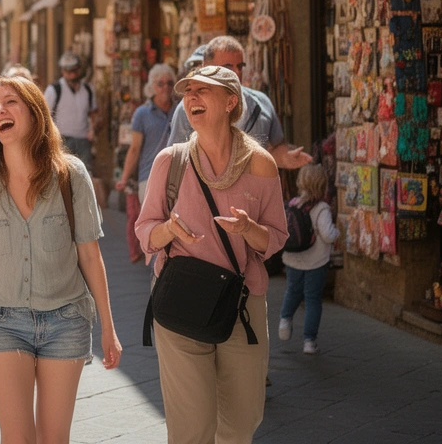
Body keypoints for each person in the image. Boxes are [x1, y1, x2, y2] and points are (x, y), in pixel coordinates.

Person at [0, 75, 122, 443]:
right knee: (16, 437)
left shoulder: (70, 174)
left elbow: (91, 257)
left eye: (10, 102)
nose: (0, 110)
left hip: (66, 319)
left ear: (34, 113)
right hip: (3, 320)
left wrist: (109, 329)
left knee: (54, 437)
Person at [136, 66, 289, 444]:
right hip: (180, 301)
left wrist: (248, 229)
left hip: (240, 304)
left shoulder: (260, 164)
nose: (192, 98)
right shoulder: (170, 162)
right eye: (188, 91)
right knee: (192, 428)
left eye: (204, 90)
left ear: (231, 101)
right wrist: (169, 229)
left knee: (241, 422)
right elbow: (145, 232)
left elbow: (276, 237)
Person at [166, 36, 314, 171]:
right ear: (205, 67)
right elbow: (175, 161)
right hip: (207, 196)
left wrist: (285, 158)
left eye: (240, 66)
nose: (236, 72)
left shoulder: (260, 104)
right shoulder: (192, 108)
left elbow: (276, 146)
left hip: (252, 195)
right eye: (228, 67)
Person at [115, 63, 177, 263]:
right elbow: (134, 149)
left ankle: (170, 260)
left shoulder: (180, 110)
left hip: (177, 175)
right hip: (148, 177)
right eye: (160, 84)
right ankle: (155, 263)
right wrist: (124, 178)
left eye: (169, 83)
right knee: (154, 222)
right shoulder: (142, 113)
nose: (165, 87)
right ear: (152, 86)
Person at [279, 163, 339, 355]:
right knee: (312, 300)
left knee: (292, 291)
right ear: (323, 185)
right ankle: (309, 342)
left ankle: (285, 320)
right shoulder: (322, 209)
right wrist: (339, 232)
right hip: (316, 262)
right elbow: (328, 235)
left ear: (300, 183)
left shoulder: (294, 204)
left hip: (293, 259)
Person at [43, 53, 99, 175]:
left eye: (74, 70)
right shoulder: (54, 90)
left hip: (83, 139)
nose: (72, 74)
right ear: (63, 71)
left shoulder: (88, 90)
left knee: (85, 174)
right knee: (62, 174)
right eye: (68, 71)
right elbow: (44, 115)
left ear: (79, 69)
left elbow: (93, 113)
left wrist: (93, 130)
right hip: (62, 139)